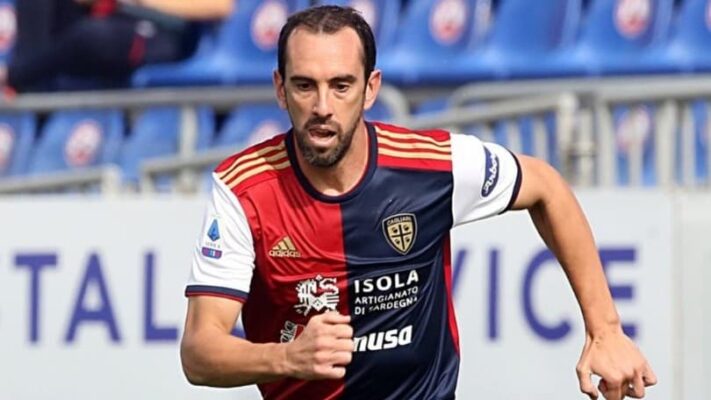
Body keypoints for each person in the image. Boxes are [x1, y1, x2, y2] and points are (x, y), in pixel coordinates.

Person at [182, 5, 657, 400]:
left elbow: (546, 186)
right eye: (305, 85)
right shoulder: (243, 189)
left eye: (341, 85)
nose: (322, 106)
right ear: (280, 89)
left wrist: (605, 329)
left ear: (371, 88)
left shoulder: (431, 165)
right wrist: (287, 357)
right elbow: (200, 352)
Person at [6, 0, 233, 92]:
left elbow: (220, 6)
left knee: (93, 35)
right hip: (113, 21)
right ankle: (27, 89)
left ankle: (17, 77)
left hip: (162, 31)